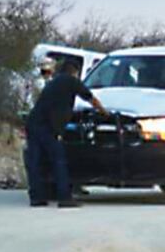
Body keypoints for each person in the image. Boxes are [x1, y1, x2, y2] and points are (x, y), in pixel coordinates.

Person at [25, 59, 106, 208]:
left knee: (35, 161)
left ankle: (36, 197)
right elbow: (90, 98)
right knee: (59, 160)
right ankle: (64, 197)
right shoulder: (71, 81)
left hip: (33, 123)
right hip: (48, 127)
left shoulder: (54, 82)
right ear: (75, 72)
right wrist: (105, 112)